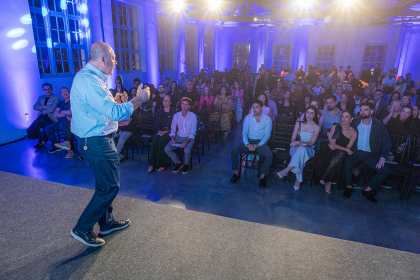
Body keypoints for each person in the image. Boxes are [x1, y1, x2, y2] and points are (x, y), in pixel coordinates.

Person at [69, 42, 150, 246]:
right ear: (103, 58)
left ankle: (107, 223)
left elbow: (98, 110)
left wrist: (114, 100)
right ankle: (82, 228)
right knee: (110, 187)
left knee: (103, 184)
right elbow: (114, 113)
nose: (115, 62)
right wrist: (138, 100)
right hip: (96, 142)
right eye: (113, 58)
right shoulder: (90, 81)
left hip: (94, 139)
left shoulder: (91, 78)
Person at [343, 102, 391, 203]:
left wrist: (383, 157)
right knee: (347, 163)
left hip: (370, 154)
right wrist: (331, 133)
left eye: (365, 110)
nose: (363, 112)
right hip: (356, 152)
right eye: (361, 110)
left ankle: (367, 190)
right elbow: (341, 125)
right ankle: (348, 186)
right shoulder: (355, 121)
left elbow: (387, 142)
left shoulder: (378, 125)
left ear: (372, 111)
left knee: (384, 170)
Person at [230, 100, 273, 188]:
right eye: (253, 107)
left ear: (261, 108)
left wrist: (258, 145)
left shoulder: (267, 120)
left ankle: (262, 177)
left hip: (260, 142)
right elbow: (244, 132)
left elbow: (267, 136)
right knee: (234, 151)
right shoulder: (248, 118)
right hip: (248, 141)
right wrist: (247, 144)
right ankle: (236, 173)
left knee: (269, 155)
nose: (254, 109)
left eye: (257, 107)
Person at [277, 106, 321, 190]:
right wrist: (297, 143)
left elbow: (311, 143)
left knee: (302, 150)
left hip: (309, 149)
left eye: (312, 113)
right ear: (305, 113)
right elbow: (293, 139)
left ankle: (287, 170)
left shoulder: (316, 127)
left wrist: (300, 143)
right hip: (296, 147)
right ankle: (298, 180)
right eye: (308, 112)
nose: (309, 115)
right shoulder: (299, 123)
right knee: (300, 153)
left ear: (315, 115)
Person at [314, 110, 357, 194]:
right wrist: (346, 150)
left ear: (351, 119)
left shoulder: (353, 132)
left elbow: (348, 147)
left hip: (340, 151)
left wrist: (346, 149)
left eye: (346, 116)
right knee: (339, 154)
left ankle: (325, 178)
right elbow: (332, 145)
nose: (343, 119)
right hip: (328, 149)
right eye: (342, 116)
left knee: (341, 154)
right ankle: (328, 182)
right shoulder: (336, 126)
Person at [164, 97, 197, 175]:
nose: (184, 106)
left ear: (189, 106)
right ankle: (178, 162)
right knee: (167, 148)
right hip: (179, 136)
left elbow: (193, 132)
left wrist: (186, 141)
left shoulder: (193, 116)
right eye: (183, 104)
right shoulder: (176, 115)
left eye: (186, 104)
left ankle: (186, 164)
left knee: (186, 150)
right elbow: (173, 129)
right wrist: (172, 138)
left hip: (189, 138)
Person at [27, 83, 61, 149]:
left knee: (46, 128)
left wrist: (41, 109)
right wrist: (43, 107)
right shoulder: (41, 98)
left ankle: (43, 142)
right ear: (43, 90)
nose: (47, 91)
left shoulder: (56, 98)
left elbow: (52, 109)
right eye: (45, 89)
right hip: (41, 117)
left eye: (49, 89)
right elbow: (34, 107)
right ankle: (41, 137)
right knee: (30, 130)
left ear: (52, 89)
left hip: (50, 118)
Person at [148, 95, 176, 172]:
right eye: (164, 100)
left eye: (167, 100)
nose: (165, 102)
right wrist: (159, 130)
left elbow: (175, 126)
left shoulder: (174, 112)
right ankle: (152, 164)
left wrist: (166, 132)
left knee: (161, 141)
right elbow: (156, 123)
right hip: (160, 131)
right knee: (155, 139)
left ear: (170, 102)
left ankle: (162, 164)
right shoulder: (160, 111)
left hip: (169, 132)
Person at [45, 87, 72, 156]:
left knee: (63, 124)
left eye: (66, 91)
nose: (65, 93)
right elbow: (55, 114)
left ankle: (69, 148)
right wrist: (64, 113)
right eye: (63, 92)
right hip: (60, 122)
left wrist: (61, 112)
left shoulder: (72, 101)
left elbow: (69, 112)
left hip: (69, 122)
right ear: (61, 94)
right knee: (48, 129)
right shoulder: (61, 103)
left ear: (69, 92)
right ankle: (56, 146)